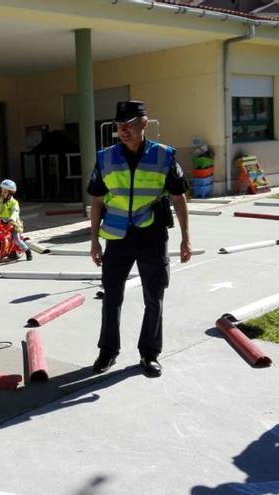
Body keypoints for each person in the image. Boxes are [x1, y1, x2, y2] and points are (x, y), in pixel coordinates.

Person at [88, 100, 192, 378]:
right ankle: (108, 351)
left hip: (152, 236)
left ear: (144, 124)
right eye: (120, 125)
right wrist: (94, 241)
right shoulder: (105, 157)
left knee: (154, 298)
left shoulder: (164, 156)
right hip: (117, 237)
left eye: (130, 124)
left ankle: (149, 354)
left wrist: (185, 239)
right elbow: (97, 202)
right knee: (111, 297)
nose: (124, 130)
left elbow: (179, 198)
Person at [0, 179, 32, 261]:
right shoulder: (0, 201)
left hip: (13, 223)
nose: (2, 193)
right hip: (2, 223)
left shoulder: (14, 202)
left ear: (10, 193)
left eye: (5, 191)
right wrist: (1, 202)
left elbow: (15, 212)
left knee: (16, 239)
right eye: (2, 191)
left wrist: (11, 219)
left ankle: (27, 251)